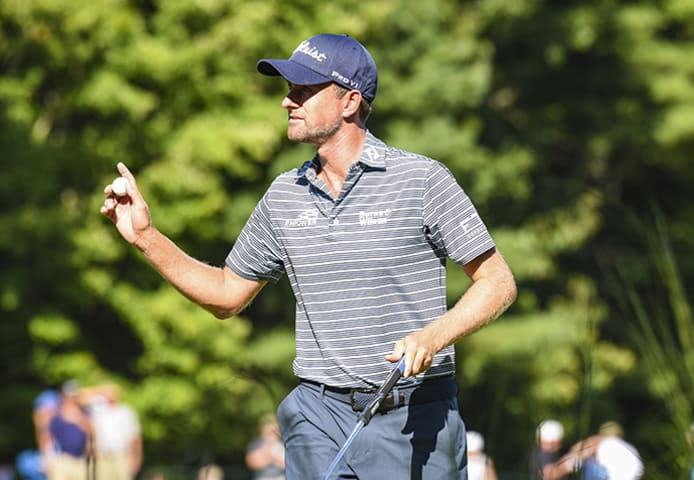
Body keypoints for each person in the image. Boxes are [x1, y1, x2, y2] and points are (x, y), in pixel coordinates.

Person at [100, 32, 517, 479]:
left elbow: (498, 283)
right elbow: (225, 295)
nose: (287, 101)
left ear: (349, 102)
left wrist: (434, 337)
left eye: (303, 90)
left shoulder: (421, 180)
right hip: (316, 415)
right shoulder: (284, 196)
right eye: (288, 89)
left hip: (413, 416)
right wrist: (146, 237)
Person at [86, 384, 143, 480]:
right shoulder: (98, 413)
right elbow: (82, 398)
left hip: (122, 456)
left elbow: (135, 438)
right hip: (103, 458)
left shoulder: (125, 412)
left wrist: (136, 458)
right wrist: (97, 392)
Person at [47, 381, 93, 480]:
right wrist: (48, 459)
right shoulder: (57, 416)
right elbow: (50, 439)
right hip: (62, 459)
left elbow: (91, 434)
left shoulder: (85, 414)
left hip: (81, 460)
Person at [245, 414, 285, 480]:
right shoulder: (256, 444)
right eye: (268, 431)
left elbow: (287, 464)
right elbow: (251, 463)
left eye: (273, 431)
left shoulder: (283, 444)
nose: (271, 434)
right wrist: (273, 456)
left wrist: (264, 457)